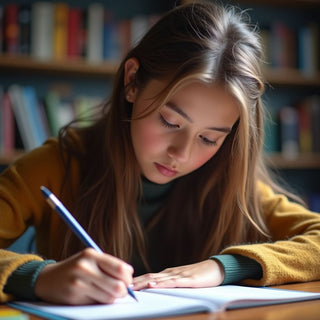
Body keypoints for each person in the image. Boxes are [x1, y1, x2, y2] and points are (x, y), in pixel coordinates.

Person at [1, 0, 320, 305]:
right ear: (132, 81)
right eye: (170, 121)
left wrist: (225, 267)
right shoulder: (57, 165)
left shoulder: (229, 182)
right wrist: (39, 277)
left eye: (209, 139)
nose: (181, 154)